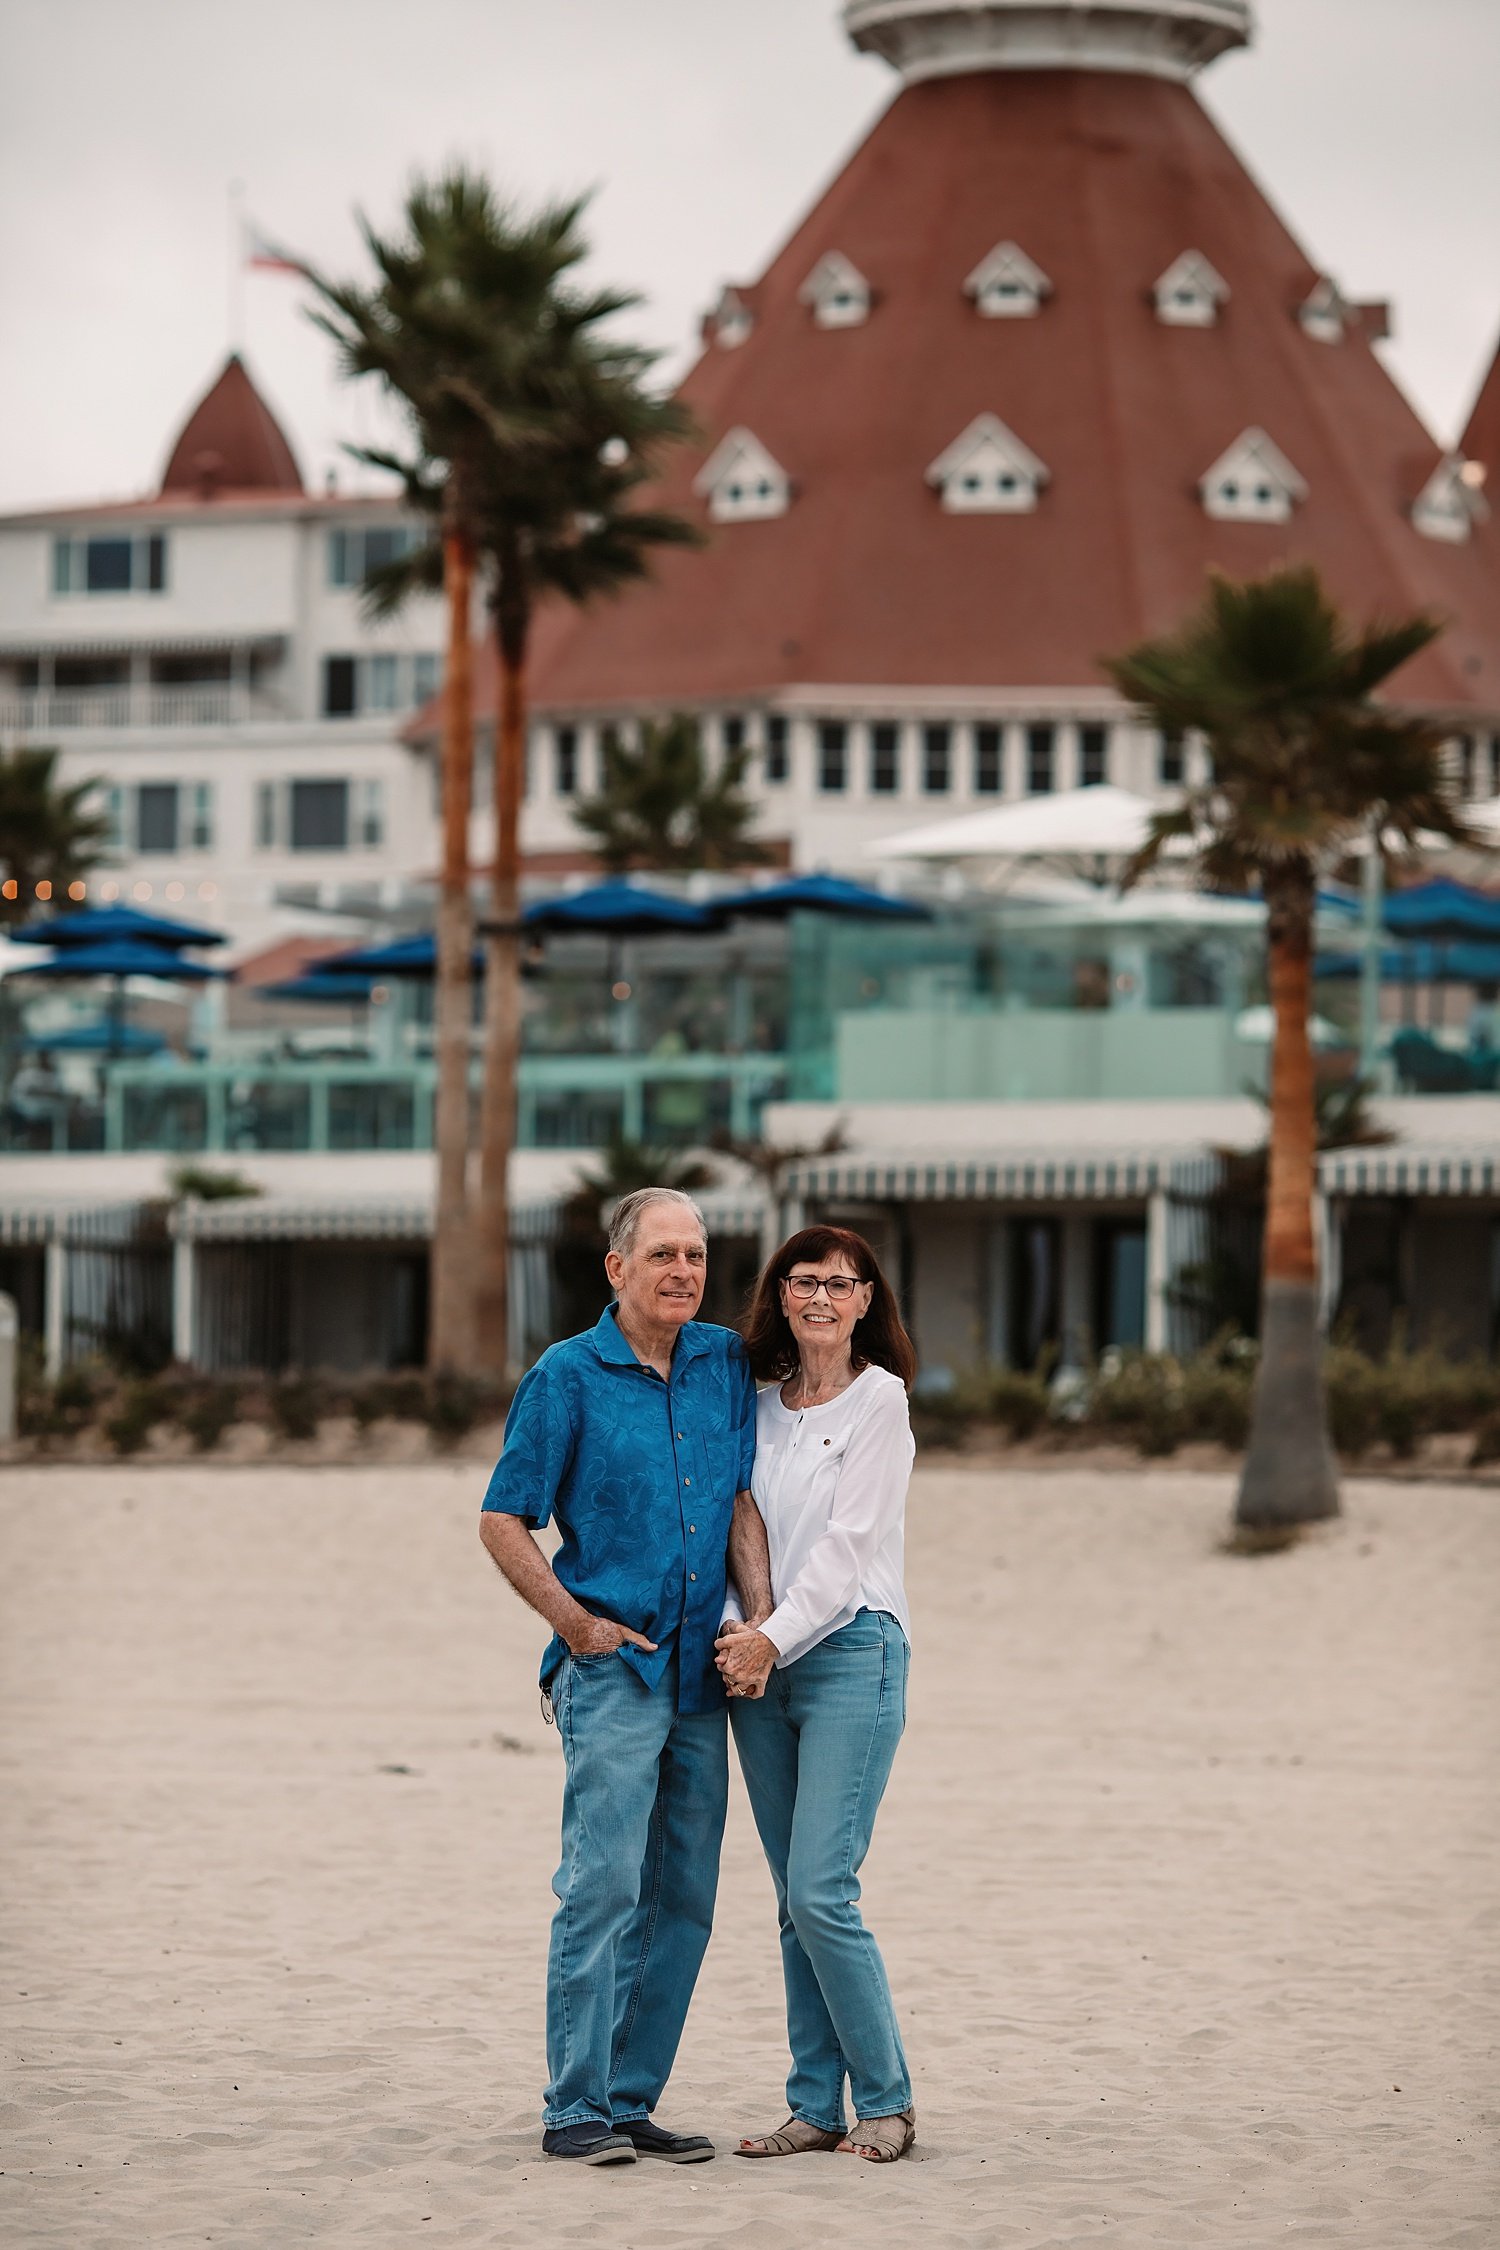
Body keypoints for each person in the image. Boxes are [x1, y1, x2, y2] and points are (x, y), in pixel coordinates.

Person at [479, 1187, 773, 2167]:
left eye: (696, 1254)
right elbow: (501, 1518)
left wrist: (761, 1620)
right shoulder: (567, 1376)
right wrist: (573, 1624)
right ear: (617, 1268)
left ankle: (628, 2099)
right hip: (613, 1673)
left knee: (683, 1897)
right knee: (601, 1888)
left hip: (701, 1677)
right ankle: (574, 2109)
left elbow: (739, 1500)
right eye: (663, 1255)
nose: (684, 1271)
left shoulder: (726, 1361)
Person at [715, 1224, 919, 2165]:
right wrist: (740, 1631)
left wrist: (770, 1637)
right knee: (793, 1903)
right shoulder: (753, 1405)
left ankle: (887, 2101)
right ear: (781, 1295)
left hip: (851, 1654)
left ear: (867, 1301)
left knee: (822, 1890)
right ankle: (815, 2105)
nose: (824, 1299)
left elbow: (844, 1554)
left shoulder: (883, 1402)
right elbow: (735, 1523)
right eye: (807, 1283)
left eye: (844, 1284)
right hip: (758, 1661)